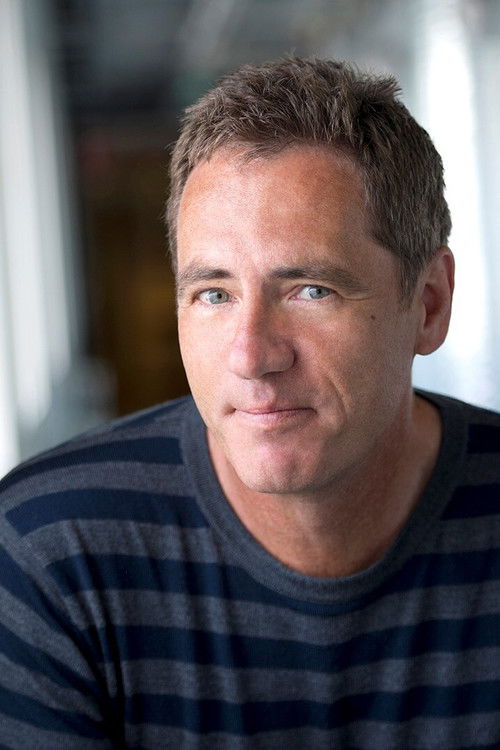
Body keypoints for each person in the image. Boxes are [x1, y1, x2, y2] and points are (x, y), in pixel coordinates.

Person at [0, 57, 499, 749]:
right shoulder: (48, 554)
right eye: (214, 294)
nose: (251, 355)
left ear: (430, 304)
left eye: (311, 290)